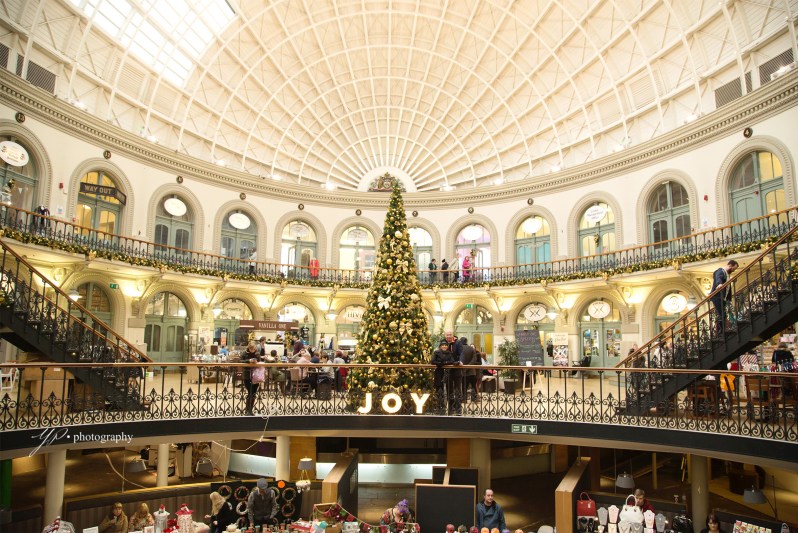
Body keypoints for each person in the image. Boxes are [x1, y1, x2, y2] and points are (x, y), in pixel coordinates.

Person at [710, 259, 739, 335]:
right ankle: (720, 332)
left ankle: (721, 331)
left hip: (722, 298)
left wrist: (728, 298)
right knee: (722, 314)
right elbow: (718, 277)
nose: (733, 270)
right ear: (730, 265)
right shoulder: (721, 271)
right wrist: (719, 284)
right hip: (717, 297)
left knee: (722, 314)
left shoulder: (727, 274)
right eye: (733, 269)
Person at [243, 341, 262, 414]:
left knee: (253, 393)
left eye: (254, 349)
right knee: (250, 391)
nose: (252, 350)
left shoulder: (257, 353)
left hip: (256, 375)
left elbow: (259, 361)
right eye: (251, 349)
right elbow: (240, 360)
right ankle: (248, 410)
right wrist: (248, 361)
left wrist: (256, 362)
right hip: (247, 375)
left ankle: (250, 409)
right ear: (249, 348)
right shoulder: (244, 353)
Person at [460, 336, 480, 401]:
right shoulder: (471, 349)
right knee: (473, 385)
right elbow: (474, 359)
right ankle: (474, 398)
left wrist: (464, 367)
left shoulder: (460, 348)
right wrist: (468, 366)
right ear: (466, 341)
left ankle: (464, 398)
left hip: (462, 370)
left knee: (464, 386)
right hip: (471, 370)